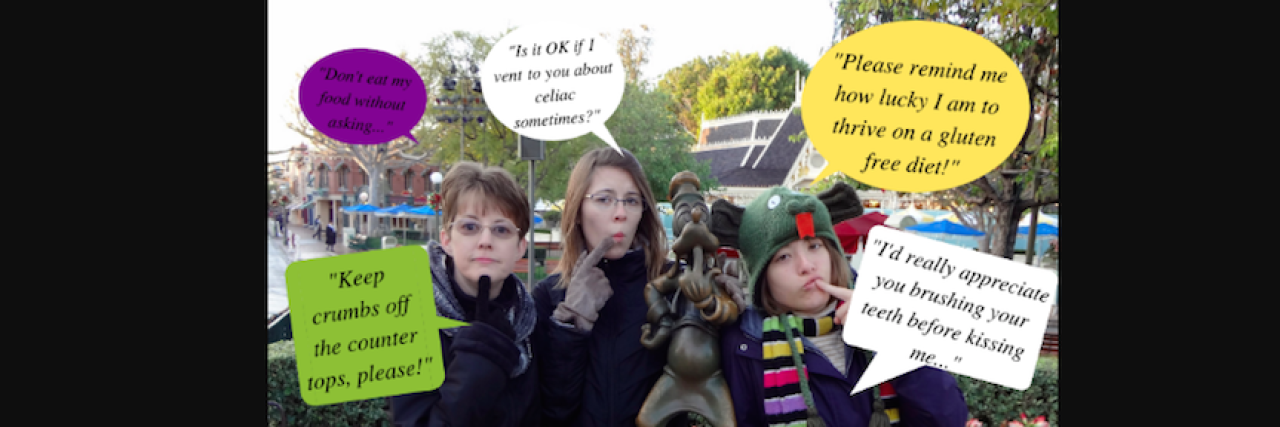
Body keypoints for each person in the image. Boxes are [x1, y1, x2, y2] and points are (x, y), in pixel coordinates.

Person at [716, 186, 969, 427]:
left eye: (814, 246)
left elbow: (947, 419)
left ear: (832, 253)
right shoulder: (744, 345)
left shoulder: (887, 314)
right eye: (783, 257)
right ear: (763, 277)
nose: (805, 265)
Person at [533, 147, 696, 426]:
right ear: (578, 210)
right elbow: (551, 412)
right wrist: (571, 328)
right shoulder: (548, 296)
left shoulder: (674, 284)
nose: (620, 213)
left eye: (631, 201)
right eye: (604, 199)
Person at [388, 161, 541, 427]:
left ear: (520, 247)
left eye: (501, 229)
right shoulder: (412, 322)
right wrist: (480, 357)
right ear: (447, 240)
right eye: (470, 227)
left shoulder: (529, 322)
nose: (485, 240)